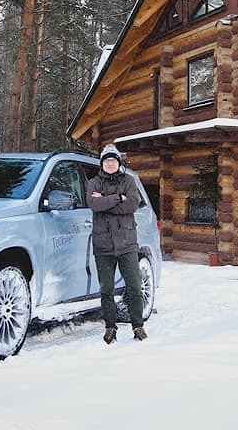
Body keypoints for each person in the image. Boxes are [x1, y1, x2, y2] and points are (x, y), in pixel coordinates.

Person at [86, 143, 147, 344]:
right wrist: (117, 198)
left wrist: (106, 201)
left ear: (118, 163)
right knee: (106, 290)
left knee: (135, 287)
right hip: (103, 245)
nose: (110, 163)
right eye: (107, 160)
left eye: (113, 160)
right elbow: (94, 204)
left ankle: (138, 326)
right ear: (102, 163)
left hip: (127, 244)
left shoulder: (129, 180)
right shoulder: (93, 182)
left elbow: (132, 204)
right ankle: (110, 327)